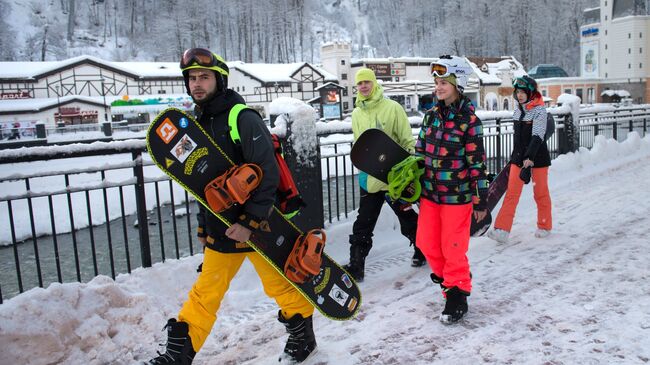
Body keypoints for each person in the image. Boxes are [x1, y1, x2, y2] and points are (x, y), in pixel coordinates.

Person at [147, 48, 316, 364]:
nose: (197, 84)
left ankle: (303, 338)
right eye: (192, 78)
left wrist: (250, 223)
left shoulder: (243, 117)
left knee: (279, 286)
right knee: (204, 294)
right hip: (222, 229)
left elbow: (265, 172)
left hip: (259, 226)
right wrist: (202, 225)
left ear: (219, 80)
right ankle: (178, 356)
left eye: (204, 77)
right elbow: (201, 183)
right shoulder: (195, 124)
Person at [415, 55, 489, 324]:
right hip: (430, 195)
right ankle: (451, 280)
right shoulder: (431, 116)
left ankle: (457, 295)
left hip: (457, 197)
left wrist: (481, 201)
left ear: (458, 84)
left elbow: (477, 164)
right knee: (426, 242)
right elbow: (420, 155)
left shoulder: (469, 121)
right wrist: (409, 184)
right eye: (437, 81)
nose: (439, 86)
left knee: (453, 247)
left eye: (444, 81)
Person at [345, 68, 425, 283]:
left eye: (366, 82)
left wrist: (410, 172)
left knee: (407, 218)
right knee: (363, 223)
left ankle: (422, 250)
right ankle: (356, 265)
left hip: (394, 180)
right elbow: (360, 145)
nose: (363, 86)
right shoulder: (356, 114)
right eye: (359, 83)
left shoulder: (393, 108)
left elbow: (407, 142)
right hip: (370, 179)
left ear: (374, 84)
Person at [488, 75, 552, 243]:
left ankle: (544, 225)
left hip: (537, 158)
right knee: (512, 194)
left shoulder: (539, 110)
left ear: (531, 92)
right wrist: (515, 158)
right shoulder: (518, 110)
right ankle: (502, 229)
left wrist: (529, 158)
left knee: (540, 193)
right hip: (518, 158)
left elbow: (537, 136)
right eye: (517, 92)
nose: (520, 95)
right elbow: (518, 138)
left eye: (523, 92)